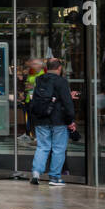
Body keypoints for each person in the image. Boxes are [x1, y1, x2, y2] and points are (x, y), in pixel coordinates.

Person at [28, 57, 77, 188]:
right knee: (58, 149)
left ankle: (36, 173)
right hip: (58, 120)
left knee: (42, 147)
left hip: (41, 119)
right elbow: (67, 103)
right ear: (59, 68)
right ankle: (55, 177)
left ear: (46, 68)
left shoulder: (40, 79)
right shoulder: (61, 81)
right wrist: (71, 120)